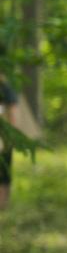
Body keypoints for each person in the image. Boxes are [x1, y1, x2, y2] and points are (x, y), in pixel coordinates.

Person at [0, 69, 19, 211]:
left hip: (3, 136)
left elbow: (12, 113)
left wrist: (10, 135)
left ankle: (2, 204)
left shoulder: (6, 89)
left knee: (4, 172)